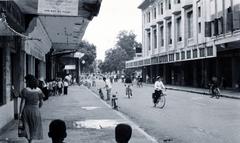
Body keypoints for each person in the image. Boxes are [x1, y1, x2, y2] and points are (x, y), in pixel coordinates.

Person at [19, 74, 44, 143]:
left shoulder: (25, 90)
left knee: (26, 125)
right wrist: (37, 108)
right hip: (36, 110)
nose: (25, 82)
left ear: (29, 81)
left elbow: (22, 102)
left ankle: (29, 140)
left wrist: (20, 112)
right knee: (34, 125)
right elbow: (41, 102)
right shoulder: (39, 90)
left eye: (26, 81)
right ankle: (31, 139)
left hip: (26, 109)